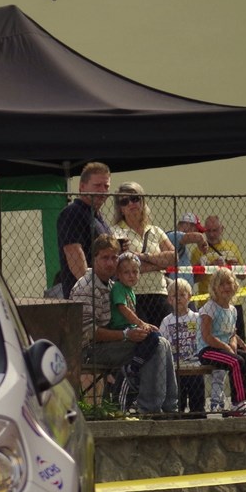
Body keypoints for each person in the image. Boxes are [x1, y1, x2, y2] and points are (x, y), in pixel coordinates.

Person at [73, 236, 176, 414]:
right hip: (89, 350)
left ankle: (170, 407)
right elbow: (88, 333)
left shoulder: (113, 285)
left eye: (114, 257)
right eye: (105, 258)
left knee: (162, 342)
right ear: (94, 258)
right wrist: (126, 335)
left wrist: (136, 330)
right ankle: (148, 409)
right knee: (156, 346)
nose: (110, 263)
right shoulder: (86, 287)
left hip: (111, 343)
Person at [108, 182, 179, 327]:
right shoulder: (114, 232)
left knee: (166, 333)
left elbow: (174, 258)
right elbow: (117, 267)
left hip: (159, 291)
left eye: (135, 199)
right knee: (145, 335)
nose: (131, 204)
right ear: (120, 208)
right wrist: (159, 264)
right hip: (131, 294)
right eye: (124, 201)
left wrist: (141, 257)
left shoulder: (155, 230)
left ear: (143, 201)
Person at [196, 267, 246, 414]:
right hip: (208, 350)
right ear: (214, 288)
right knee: (236, 362)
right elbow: (207, 336)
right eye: (221, 284)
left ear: (235, 285)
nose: (226, 287)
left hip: (225, 348)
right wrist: (226, 348)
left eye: (229, 283)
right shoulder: (210, 308)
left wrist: (233, 344)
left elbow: (232, 333)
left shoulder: (232, 310)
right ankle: (238, 402)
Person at [54, 161, 112, 292]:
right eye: (97, 185)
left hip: (104, 292)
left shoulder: (98, 216)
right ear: (82, 187)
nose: (103, 191)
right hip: (83, 295)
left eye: (106, 186)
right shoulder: (72, 213)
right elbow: (74, 255)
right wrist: (93, 290)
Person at [159, 279, 206, 413]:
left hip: (195, 364)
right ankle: (178, 415)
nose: (178, 298)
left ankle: (198, 415)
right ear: (169, 300)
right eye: (174, 295)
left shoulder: (197, 318)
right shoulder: (166, 321)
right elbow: (162, 340)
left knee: (197, 396)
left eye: (182, 295)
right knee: (178, 398)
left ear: (189, 297)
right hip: (175, 366)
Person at [166, 212, 207, 285]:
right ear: (187, 225)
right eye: (196, 229)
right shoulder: (173, 236)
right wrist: (201, 242)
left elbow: (190, 278)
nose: (196, 232)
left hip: (183, 288)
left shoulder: (182, 246)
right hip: (176, 289)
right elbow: (199, 237)